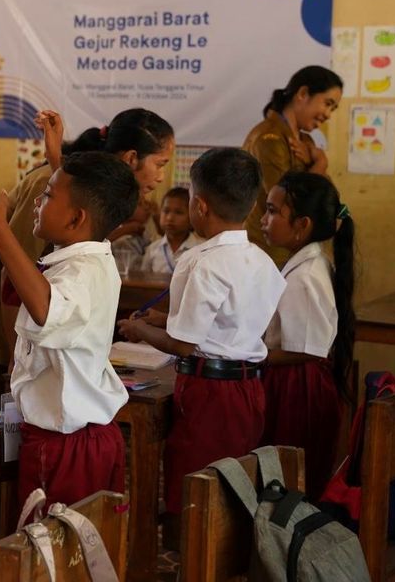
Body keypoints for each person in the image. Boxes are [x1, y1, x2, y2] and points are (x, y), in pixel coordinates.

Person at [0, 152, 140, 506]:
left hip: (68, 447)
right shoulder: (80, 258)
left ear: (76, 218)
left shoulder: (82, 272)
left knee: (52, 552)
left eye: (47, 196)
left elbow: (45, 309)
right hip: (72, 438)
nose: (38, 203)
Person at [118, 147, 286, 521]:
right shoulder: (262, 260)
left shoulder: (201, 261)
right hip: (250, 388)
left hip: (210, 393)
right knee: (235, 488)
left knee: (195, 494)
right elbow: (229, 318)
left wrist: (139, 328)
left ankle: (192, 564)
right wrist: (164, 317)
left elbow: (183, 344)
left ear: (200, 206)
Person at [258, 171, 355, 500]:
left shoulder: (306, 276)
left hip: (297, 387)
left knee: (290, 483)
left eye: (273, 211)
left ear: (302, 225)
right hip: (295, 382)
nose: (263, 220)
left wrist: (253, 355)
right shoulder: (305, 264)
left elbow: (307, 350)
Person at [243, 65, 343, 265]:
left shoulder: (306, 141)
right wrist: (320, 165)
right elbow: (285, 202)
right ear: (303, 93)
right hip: (267, 250)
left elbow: (326, 196)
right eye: (327, 103)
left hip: (293, 249)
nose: (328, 114)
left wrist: (315, 165)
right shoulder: (269, 137)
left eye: (333, 108)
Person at [139, 187, 199, 275]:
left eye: (178, 212)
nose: (170, 218)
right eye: (166, 211)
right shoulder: (152, 249)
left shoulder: (199, 250)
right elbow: (143, 280)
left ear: (191, 217)